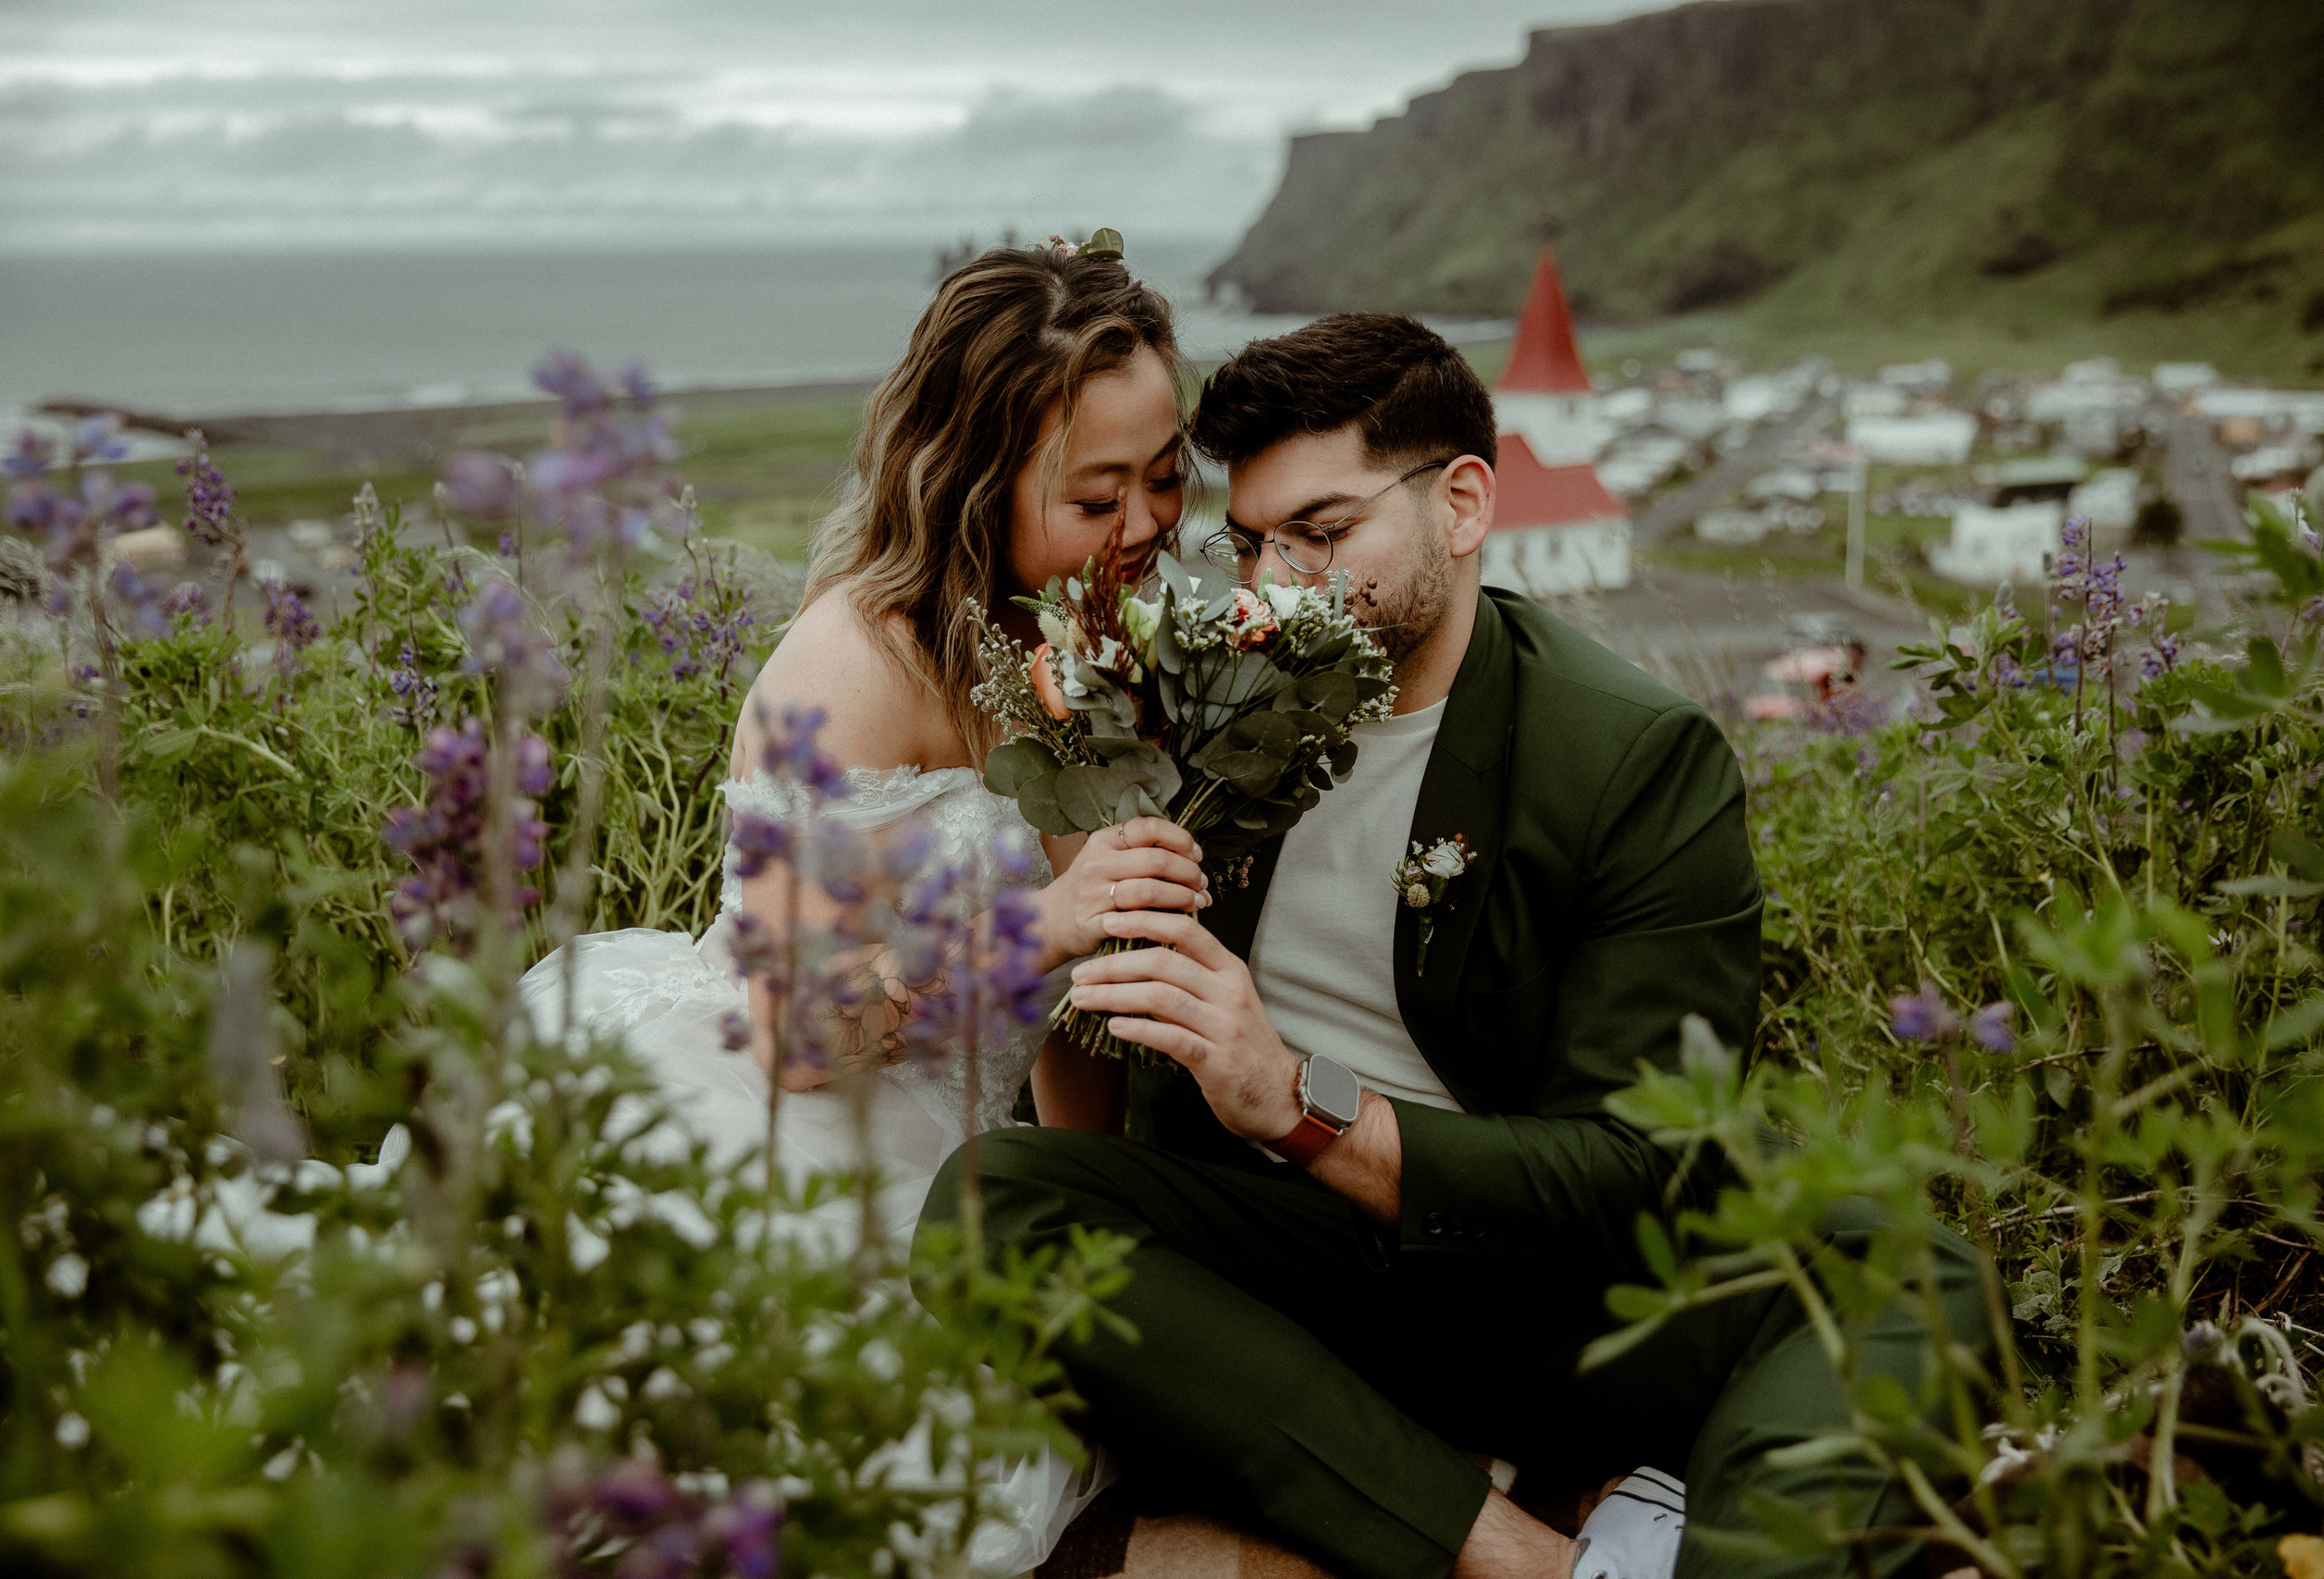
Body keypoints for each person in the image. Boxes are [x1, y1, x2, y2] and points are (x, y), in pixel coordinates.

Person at [922, 315, 1991, 1579]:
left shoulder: (1634, 756)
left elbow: (1627, 1172)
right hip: (1296, 1281)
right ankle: (1522, 1556)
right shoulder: (1189, 707)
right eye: (1254, 543)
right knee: (998, 1200)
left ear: (1466, 504)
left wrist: (1301, 1107)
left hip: (1551, 1286)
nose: (1280, 586)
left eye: (1323, 534)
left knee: (1909, 1277)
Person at [517, 238, 1208, 1573]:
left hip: (976, 1171)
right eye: (1097, 493)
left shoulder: (1081, 630)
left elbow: (1073, 1024)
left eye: (1166, 474)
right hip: (785, 1147)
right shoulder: (845, 668)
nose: (1145, 526)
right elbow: (794, 1030)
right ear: (971, 481)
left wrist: (1111, 1203)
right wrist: (1048, 931)